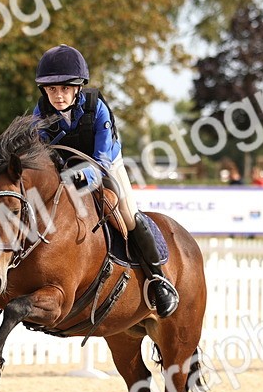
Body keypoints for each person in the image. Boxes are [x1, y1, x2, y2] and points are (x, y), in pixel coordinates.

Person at [31, 44, 179, 318]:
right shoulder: (39, 115)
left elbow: (101, 160)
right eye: (52, 90)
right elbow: (37, 158)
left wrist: (79, 177)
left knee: (128, 214)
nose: (58, 95)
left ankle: (159, 280)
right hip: (63, 172)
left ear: (77, 88)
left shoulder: (96, 108)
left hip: (105, 164)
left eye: (64, 88)